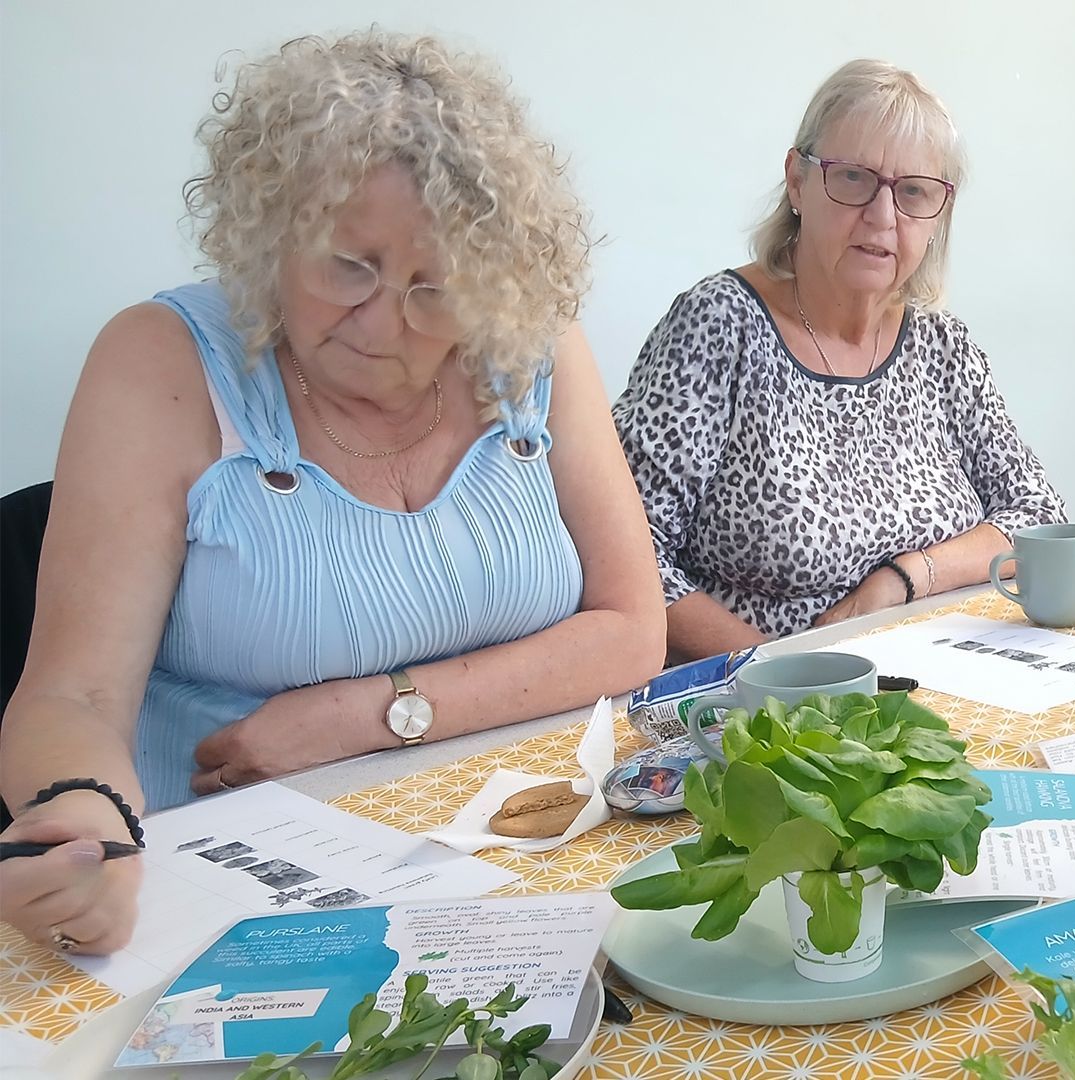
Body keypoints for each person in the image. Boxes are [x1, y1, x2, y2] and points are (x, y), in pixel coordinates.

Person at [0, 32, 667, 955]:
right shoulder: (161, 362)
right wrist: (83, 814)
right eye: (349, 266)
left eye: (435, 289)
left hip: (525, 850)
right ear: (275, 229)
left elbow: (632, 630)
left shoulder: (527, 344)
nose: (383, 323)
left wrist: (365, 716)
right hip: (237, 890)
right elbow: (71, 695)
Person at [614, 59, 1066, 659]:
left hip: (939, 675)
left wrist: (906, 576)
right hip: (772, 696)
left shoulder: (942, 346)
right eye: (854, 179)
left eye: (913, 192)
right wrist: (786, 674)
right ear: (797, 182)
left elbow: (1038, 518)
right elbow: (626, 557)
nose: (883, 217)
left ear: (939, 214)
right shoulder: (719, 325)